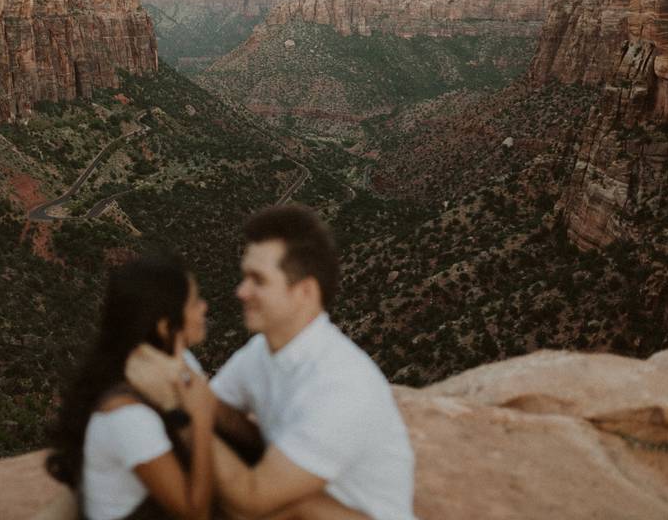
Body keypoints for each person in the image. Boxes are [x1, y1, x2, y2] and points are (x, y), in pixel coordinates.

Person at [127, 206, 416, 520]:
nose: (241, 292)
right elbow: (214, 407)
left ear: (304, 292)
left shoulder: (341, 386)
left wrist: (178, 412)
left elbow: (251, 500)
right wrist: (178, 378)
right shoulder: (263, 351)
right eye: (244, 277)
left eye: (258, 281)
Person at [48, 255, 216, 520]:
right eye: (195, 302)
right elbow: (195, 513)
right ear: (164, 326)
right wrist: (202, 417)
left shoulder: (180, 364)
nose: (204, 308)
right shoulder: (127, 416)